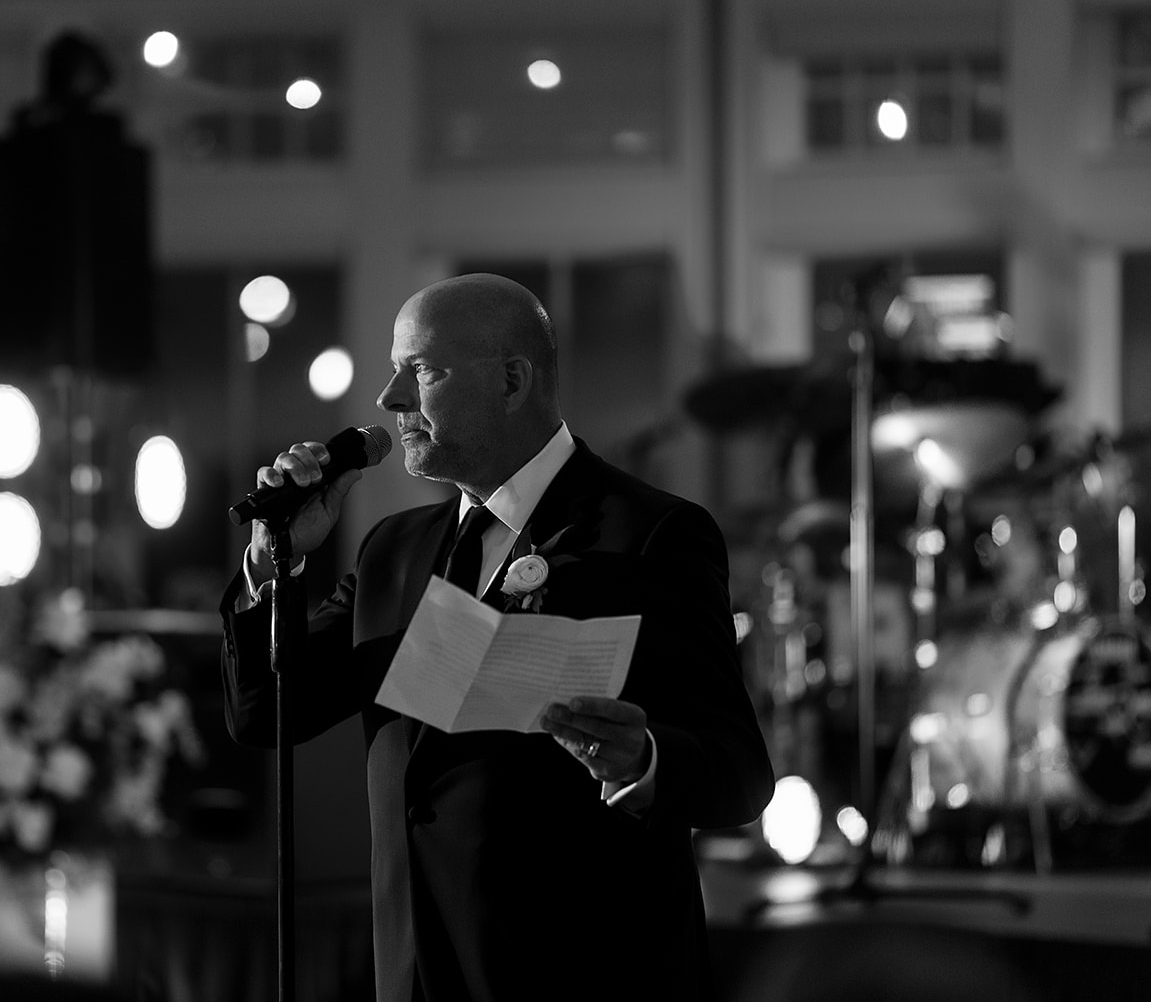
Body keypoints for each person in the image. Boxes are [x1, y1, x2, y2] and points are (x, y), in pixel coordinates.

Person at [220, 272, 774, 1001]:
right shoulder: (392, 552)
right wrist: (274, 563)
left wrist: (643, 760)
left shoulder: (649, 534)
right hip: (414, 976)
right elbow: (265, 711)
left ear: (512, 379)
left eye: (419, 370)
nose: (390, 400)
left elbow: (739, 772)